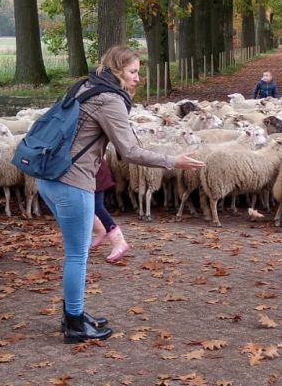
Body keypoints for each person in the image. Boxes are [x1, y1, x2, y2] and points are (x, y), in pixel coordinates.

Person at [39, 46, 205, 343]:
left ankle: (74, 314)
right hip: (72, 182)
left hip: (50, 178)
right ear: (117, 71)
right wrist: (173, 161)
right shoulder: (110, 99)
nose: (137, 79)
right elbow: (129, 152)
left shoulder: (86, 86)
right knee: (77, 255)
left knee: (75, 252)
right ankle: (75, 324)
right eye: (132, 72)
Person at [89, 158, 129, 263]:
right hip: (81, 169)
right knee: (84, 206)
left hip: (93, 169)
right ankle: (100, 230)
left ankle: (119, 241)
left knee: (97, 206)